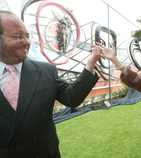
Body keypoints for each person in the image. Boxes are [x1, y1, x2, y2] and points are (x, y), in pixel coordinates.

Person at [0, 11, 101, 158]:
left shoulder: (46, 71)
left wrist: (90, 63)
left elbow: (72, 98)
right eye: (17, 36)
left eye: (27, 36)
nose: (26, 42)